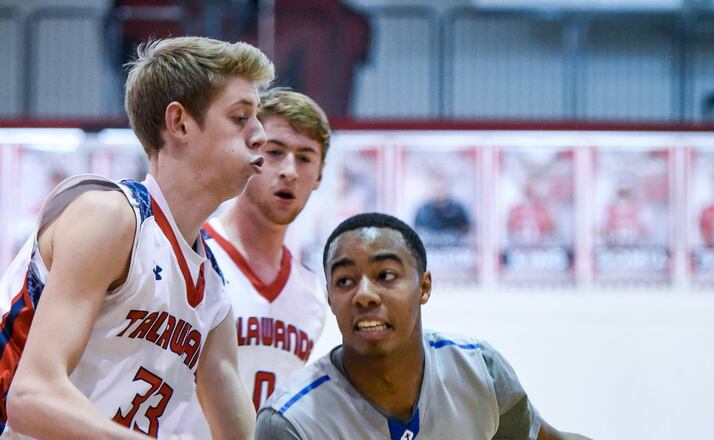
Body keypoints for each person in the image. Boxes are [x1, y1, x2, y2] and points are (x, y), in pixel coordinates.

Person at [0, 36, 273, 439]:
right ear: (179, 123)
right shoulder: (112, 217)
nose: (260, 135)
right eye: (240, 118)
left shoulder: (212, 292)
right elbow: (31, 397)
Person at [257, 213, 592, 440]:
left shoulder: (479, 370)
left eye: (385, 275)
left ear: (424, 286)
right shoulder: (291, 422)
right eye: (345, 280)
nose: (365, 295)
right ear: (330, 299)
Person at [184, 88, 331, 439]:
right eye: (275, 152)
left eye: (306, 157)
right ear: (249, 153)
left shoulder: (312, 294)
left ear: (320, 175)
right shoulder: (191, 252)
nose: (290, 171)